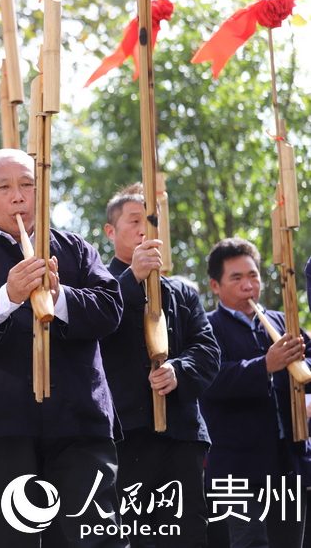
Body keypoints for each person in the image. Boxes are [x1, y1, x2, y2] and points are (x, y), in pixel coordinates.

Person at [0, 148, 126, 548]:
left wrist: (61, 296)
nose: (19, 196)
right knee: (13, 537)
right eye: (4, 187)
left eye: (27, 185)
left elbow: (111, 308)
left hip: (77, 416)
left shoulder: (74, 248)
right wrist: (8, 295)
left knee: (94, 534)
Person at [99, 183, 220, 547]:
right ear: (111, 231)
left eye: (151, 221)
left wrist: (179, 371)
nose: (143, 229)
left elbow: (207, 350)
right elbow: (93, 339)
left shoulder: (182, 292)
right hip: (124, 433)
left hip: (181, 434)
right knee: (132, 534)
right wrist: (131, 281)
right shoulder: (98, 286)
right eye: (134, 220)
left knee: (187, 532)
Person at [201, 237, 311, 547]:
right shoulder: (207, 328)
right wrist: (266, 365)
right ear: (215, 285)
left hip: (287, 461)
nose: (248, 285)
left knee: (290, 542)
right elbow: (211, 379)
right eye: (236, 278)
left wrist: (300, 364)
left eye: (253, 276)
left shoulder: (282, 321)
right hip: (236, 469)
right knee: (249, 542)